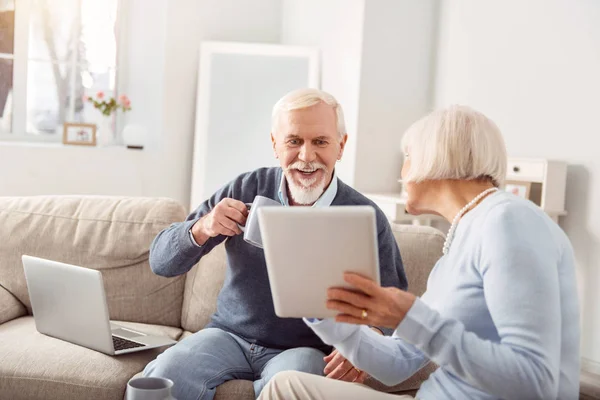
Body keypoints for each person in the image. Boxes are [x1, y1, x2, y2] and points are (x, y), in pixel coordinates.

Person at [259, 105, 581, 400]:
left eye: (408, 156)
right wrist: (321, 308)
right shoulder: (458, 244)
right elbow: (396, 363)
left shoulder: (508, 220)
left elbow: (535, 382)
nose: (401, 172)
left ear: (436, 156)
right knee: (285, 385)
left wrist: (409, 315)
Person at [143, 88, 408, 400]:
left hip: (306, 349)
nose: (306, 156)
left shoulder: (365, 216)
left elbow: (395, 304)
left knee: (293, 385)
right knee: (164, 375)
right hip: (227, 336)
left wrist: (368, 341)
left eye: (320, 142)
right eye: (294, 141)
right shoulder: (246, 187)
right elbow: (160, 262)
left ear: (341, 146)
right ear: (275, 145)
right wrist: (202, 227)